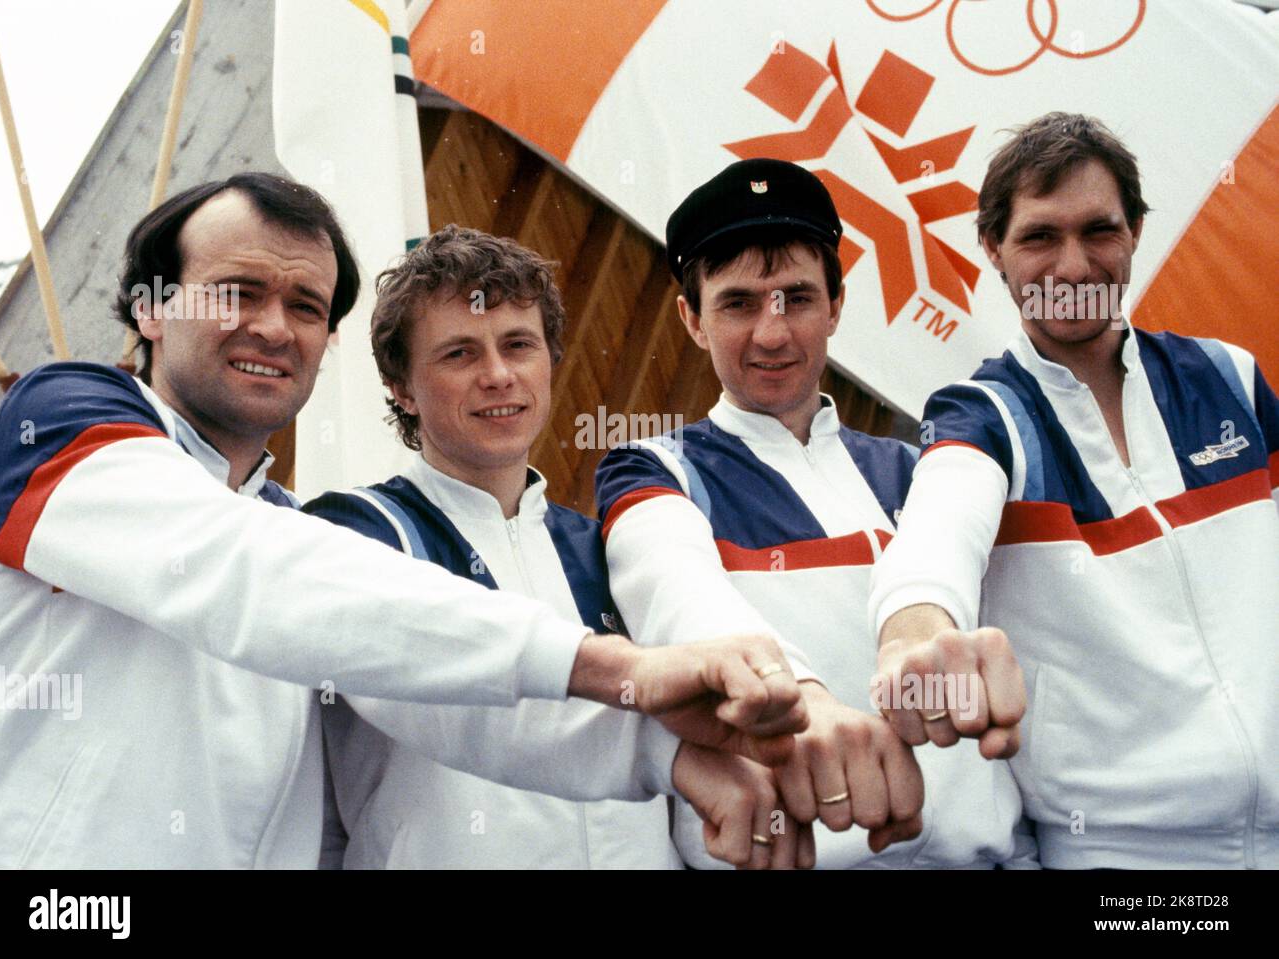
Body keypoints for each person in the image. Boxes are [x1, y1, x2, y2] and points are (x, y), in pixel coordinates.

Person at [0, 173, 808, 868]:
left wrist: (670, 756)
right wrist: (601, 663)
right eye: (237, 292)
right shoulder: (64, 416)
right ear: (151, 309)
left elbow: (445, 703)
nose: (273, 325)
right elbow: (242, 571)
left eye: (306, 305)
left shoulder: (295, 530)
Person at [305, 225, 811, 869]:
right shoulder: (355, 532)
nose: (497, 376)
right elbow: (449, 702)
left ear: (550, 359)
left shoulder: (603, 548)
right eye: (458, 354)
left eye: (518, 345)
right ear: (401, 386)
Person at [870, 112, 1279, 868]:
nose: (1073, 266)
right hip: (1124, 863)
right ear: (991, 247)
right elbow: (932, 540)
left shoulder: (1230, 378)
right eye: (1038, 237)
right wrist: (916, 640)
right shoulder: (981, 414)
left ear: (1136, 231)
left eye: (1099, 230)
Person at [594, 158, 1029, 868]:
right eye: (738, 303)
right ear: (691, 319)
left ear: (836, 305)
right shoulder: (654, 469)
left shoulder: (918, 471)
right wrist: (798, 698)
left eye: (796, 297)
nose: (772, 332)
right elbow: (682, 601)